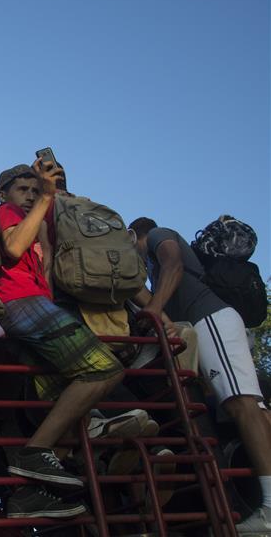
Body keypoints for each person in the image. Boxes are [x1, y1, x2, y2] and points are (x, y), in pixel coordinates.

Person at [0, 161, 124, 519]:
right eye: (23, 189)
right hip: (19, 301)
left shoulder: (37, 220)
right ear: (4, 193)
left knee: (63, 404)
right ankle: (35, 451)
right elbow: (15, 249)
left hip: (37, 301)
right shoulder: (6, 211)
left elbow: (45, 263)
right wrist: (45, 198)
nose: (31, 195)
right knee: (106, 370)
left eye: (35, 189)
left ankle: (27, 494)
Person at [129, 217, 271, 534]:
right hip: (213, 323)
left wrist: (154, 307)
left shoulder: (158, 236)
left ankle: (270, 509)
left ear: (133, 236)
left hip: (209, 319)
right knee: (252, 409)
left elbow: (174, 263)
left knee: (242, 405)